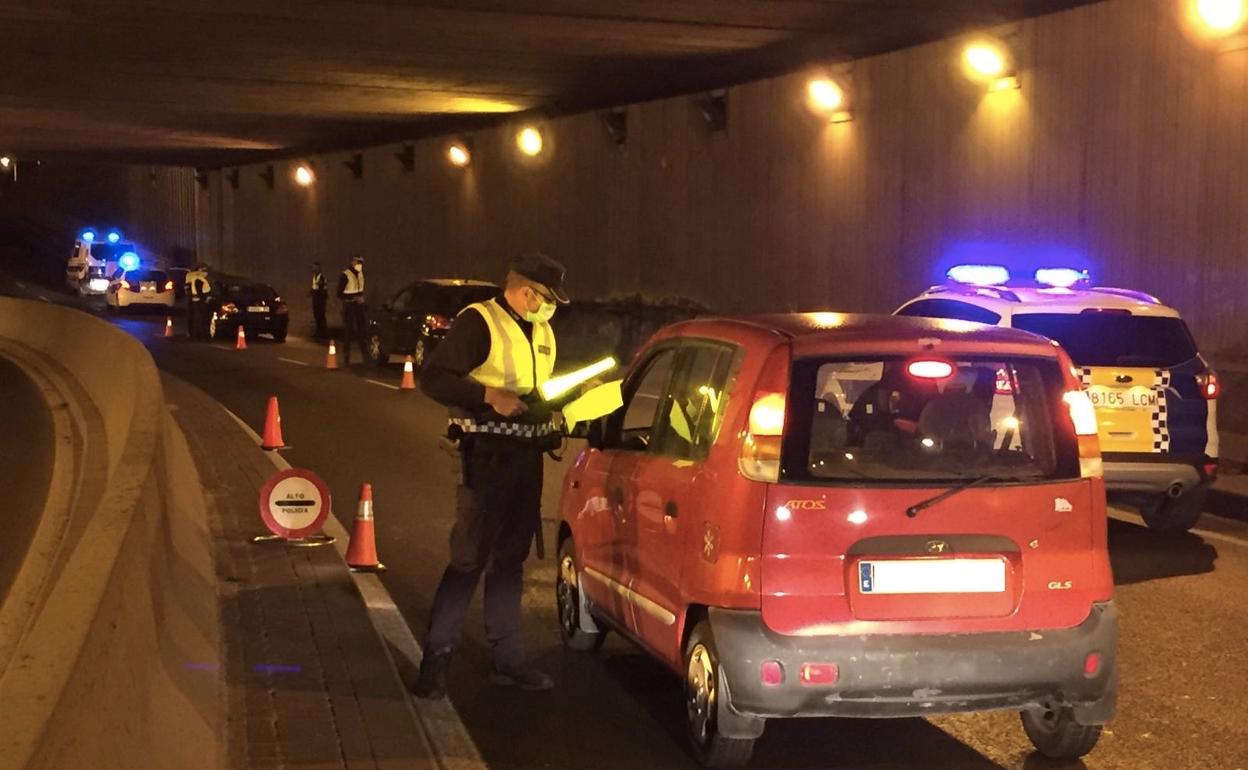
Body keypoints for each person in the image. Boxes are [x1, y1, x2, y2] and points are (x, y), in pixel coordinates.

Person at [413, 252, 569, 699]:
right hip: (486, 459)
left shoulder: (542, 331)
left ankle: (508, 660)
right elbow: (434, 378)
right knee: (468, 560)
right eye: (547, 299)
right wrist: (486, 395)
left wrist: (561, 406)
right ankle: (436, 661)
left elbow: (535, 390)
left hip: (526, 459)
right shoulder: (479, 322)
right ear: (526, 292)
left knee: (510, 561)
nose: (551, 308)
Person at [336, 255, 368, 364]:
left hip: (358, 306)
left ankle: (365, 357)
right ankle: (346, 357)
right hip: (349, 306)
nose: (360, 265)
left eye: (361, 263)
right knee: (348, 331)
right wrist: (352, 298)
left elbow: (360, 290)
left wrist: (361, 299)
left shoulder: (360, 274)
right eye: (358, 262)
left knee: (362, 331)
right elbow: (339, 293)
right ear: (353, 262)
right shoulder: (346, 275)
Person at [184, 262, 213, 339]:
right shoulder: (206, 276)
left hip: (193, 299)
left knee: (193, 317)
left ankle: (193, 334)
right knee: (203, 317)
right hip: (202, 299)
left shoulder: (190, 276)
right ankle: (202, 334)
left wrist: (190, 296)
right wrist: (207, 298)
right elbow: (209, 289)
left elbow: (187, 288)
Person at [310, 261, 328, 339]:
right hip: (315, 298)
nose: (313, 268)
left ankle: (323, 333)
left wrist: (314, 292)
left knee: (321, 316)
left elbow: (322, 289)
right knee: (316, 315)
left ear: (318, 268)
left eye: (315, 267)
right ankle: (318, 332)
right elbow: (315, 287)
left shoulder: (321, 277)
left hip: (320, 299)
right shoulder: (315, 277)